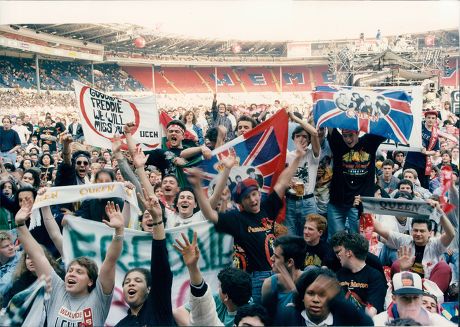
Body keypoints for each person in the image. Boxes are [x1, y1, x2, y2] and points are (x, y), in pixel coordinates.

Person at [188, 135, 307, 303]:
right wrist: (197, 188)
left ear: (259, 193)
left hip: (279, 273)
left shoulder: (267, 207)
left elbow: (282, 183)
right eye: (247, 198)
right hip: (256, 279)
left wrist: (298, 158)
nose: (252, 200)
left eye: (254, 194)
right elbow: (210, 214)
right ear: (240, 203)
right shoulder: (236, 218)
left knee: (287, 312)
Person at [15, 199, 124, 327]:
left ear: (90, 281)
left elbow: (110, 261)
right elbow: (37, 255)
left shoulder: (99, 297)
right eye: (70, 270)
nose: (71, 274)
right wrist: (20, 224)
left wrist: (119, 231)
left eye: (79, 272)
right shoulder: (56, 289)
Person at [372, 202, 455, 293]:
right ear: (411, 231)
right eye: (415, 230)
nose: (418, 234)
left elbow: (451, 234)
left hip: (430, 286)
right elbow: (379, 229)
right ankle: (400, 295)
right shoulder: (405, 240)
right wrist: (363, 208)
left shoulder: (436, 244)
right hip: (408, 282)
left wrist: (439, 212)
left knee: (444, 267)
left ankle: (432, 302)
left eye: (422, 231)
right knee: (396, 264)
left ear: (430, 233)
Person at [327, 128, 386, 239]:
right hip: (337, 203)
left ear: (358, 133)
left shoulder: (369, 141)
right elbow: (330, 125)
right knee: (336, 240)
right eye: (345, 136)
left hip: (360, 204)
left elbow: (385, 128)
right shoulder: (339, 142)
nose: (348, 139)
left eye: (351, 135)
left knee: (358, 241)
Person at [280, 267, 374, 326]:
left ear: (332, 297)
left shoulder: (343, 319)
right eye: (310, 293)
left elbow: (367, 324)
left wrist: (340, 301)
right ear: (302, 296)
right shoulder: (289, 316)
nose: (316, 300)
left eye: (322, 294)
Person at [330, 231, 387, 316]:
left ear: (349, 253)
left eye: (339, 252)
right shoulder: (338, 275)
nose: (337, 256)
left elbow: (372, 311)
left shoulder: (374, 276)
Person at [284, 110, 320, 236]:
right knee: (290, 236)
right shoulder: (287, 156)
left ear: (309, 140)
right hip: (290, 201)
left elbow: (314, 133)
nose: (301, 139)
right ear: (293, 138)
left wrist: (295, 118)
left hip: (308, 202)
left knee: (309, 237)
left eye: (305, 136)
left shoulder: (313, 155)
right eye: (298, 136)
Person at [373, 271, 456, 326]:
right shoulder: (379, 322)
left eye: (415, 297)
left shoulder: (434, 321)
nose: (411, 303)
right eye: (405, 298)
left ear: (421, 298)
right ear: (394, 299)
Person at [261, 235, 306, 325]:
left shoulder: (309, 283)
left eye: (276, 257)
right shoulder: (269, 284)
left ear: (290, 262)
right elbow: (265, 318)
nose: (271, 259)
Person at [404, 110, 440, 189]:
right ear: (425, 118)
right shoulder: (418, 127)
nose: (430, 120)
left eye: (433, 118)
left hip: (423, 163)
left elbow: (436, 151)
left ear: (436, 120)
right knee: (406, 181)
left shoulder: (435, 134)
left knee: (424, 186)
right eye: (429, 117)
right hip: (411, 159)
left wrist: (426, 152)